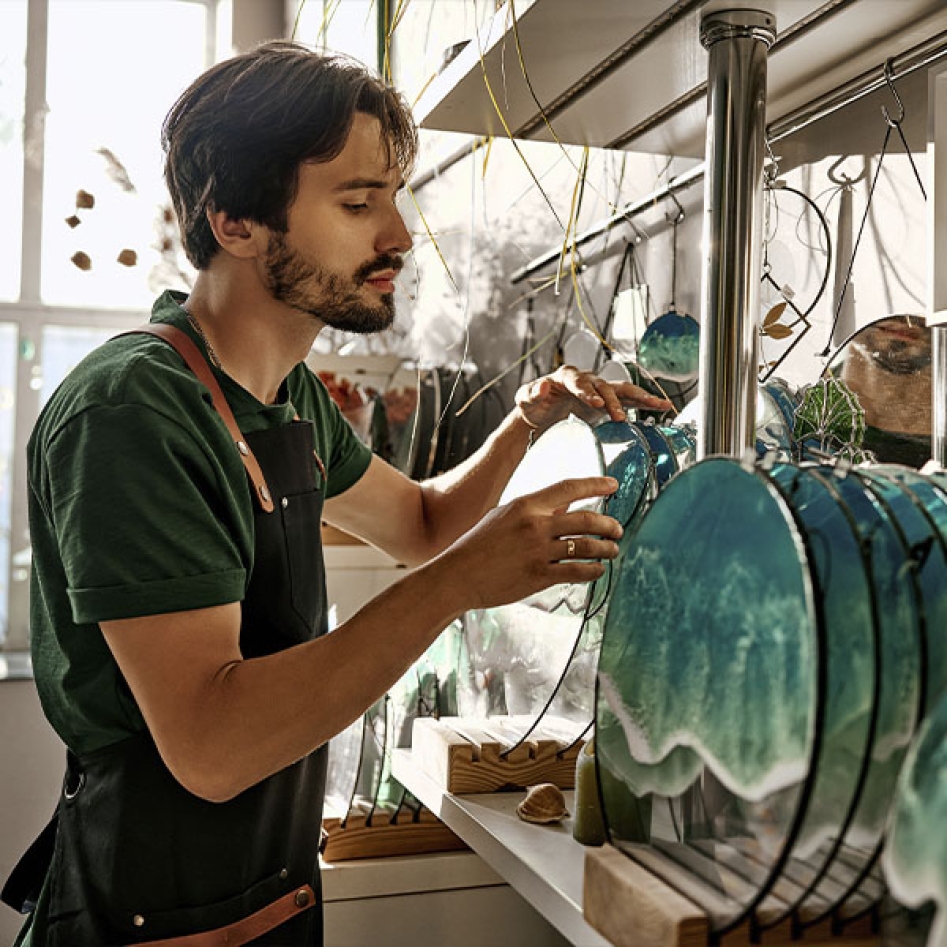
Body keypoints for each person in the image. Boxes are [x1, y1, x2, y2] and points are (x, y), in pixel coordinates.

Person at [6, 40, 671, 946]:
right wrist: (459, 585)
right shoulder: (134, 408)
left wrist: (525, 420)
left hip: (266, 892)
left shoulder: (289, 400)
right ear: (234, 219)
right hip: (148, 913)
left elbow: (424, 526)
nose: (397, 236)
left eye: (393, 197)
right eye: (358, 202)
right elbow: (211, 746)